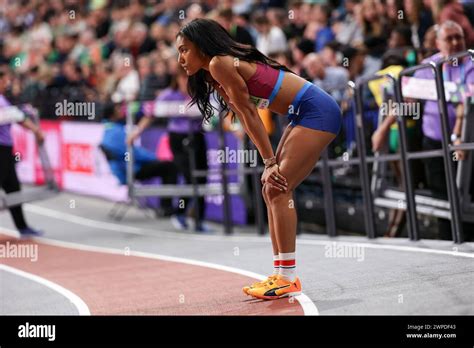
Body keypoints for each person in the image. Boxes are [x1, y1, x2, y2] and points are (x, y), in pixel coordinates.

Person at [175, 18, 341, 300]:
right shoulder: (213, 72)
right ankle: (280, 274)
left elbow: (250, 114)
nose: (180, 59)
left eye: (184, 50)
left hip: (317, 111)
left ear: (201, 46)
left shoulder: (219, 63)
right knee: (271, 188)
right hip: (301, 114)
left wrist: (269, 161)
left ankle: (287, 278)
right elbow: (245, 116)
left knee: (278, 187)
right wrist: (269, 162)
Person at [127, 67, 210, 233]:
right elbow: (150, 114)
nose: (187, 81)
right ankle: (180, 213)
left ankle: (199, 220)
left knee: (202, 178)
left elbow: (213, 113)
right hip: (178, 139)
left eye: (191, 78)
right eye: (184, 77)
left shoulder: (200, 93)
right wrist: (137, 132)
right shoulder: (167, 95)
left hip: (197, 137)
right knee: (189, 177)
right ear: (177, 78)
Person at [99, 102, 181, 220]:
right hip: (130, 170)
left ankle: (166, 207)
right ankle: (166, 208)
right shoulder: (115, 132)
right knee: (169, 167)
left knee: (165, 166)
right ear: (111, 113)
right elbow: (133, 153)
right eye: (117, 109)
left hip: (126, 169)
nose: (121, 111)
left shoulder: (109, 129)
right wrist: (154, 157)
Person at [0, 67, 45, 238]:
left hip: (5, 150)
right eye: (5, 80)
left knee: (13, 189)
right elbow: (16, 117)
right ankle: (23, 227)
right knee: (12, 189)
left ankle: (23, 227)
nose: (8, 83)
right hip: (1, 150)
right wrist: (36, 130)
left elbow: (17, 115)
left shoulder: (3, 99)